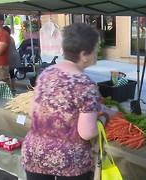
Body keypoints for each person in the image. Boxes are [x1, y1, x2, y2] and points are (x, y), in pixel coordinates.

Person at [21, 23, 114, 180]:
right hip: (70, 163)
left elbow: (32, 112)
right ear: (84, 54)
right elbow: (87, 133)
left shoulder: (46, 73)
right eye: (96, 48)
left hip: (35, 155)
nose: (97, 52)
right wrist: (106, 116)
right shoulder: (85, 84)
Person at [3, 26, 20, 92]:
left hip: (8, 57)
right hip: (14, 57)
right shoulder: (11, 38)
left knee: (6, 74)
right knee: (12, 73)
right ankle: (13, 88)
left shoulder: (5, 38)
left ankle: (8, 89)